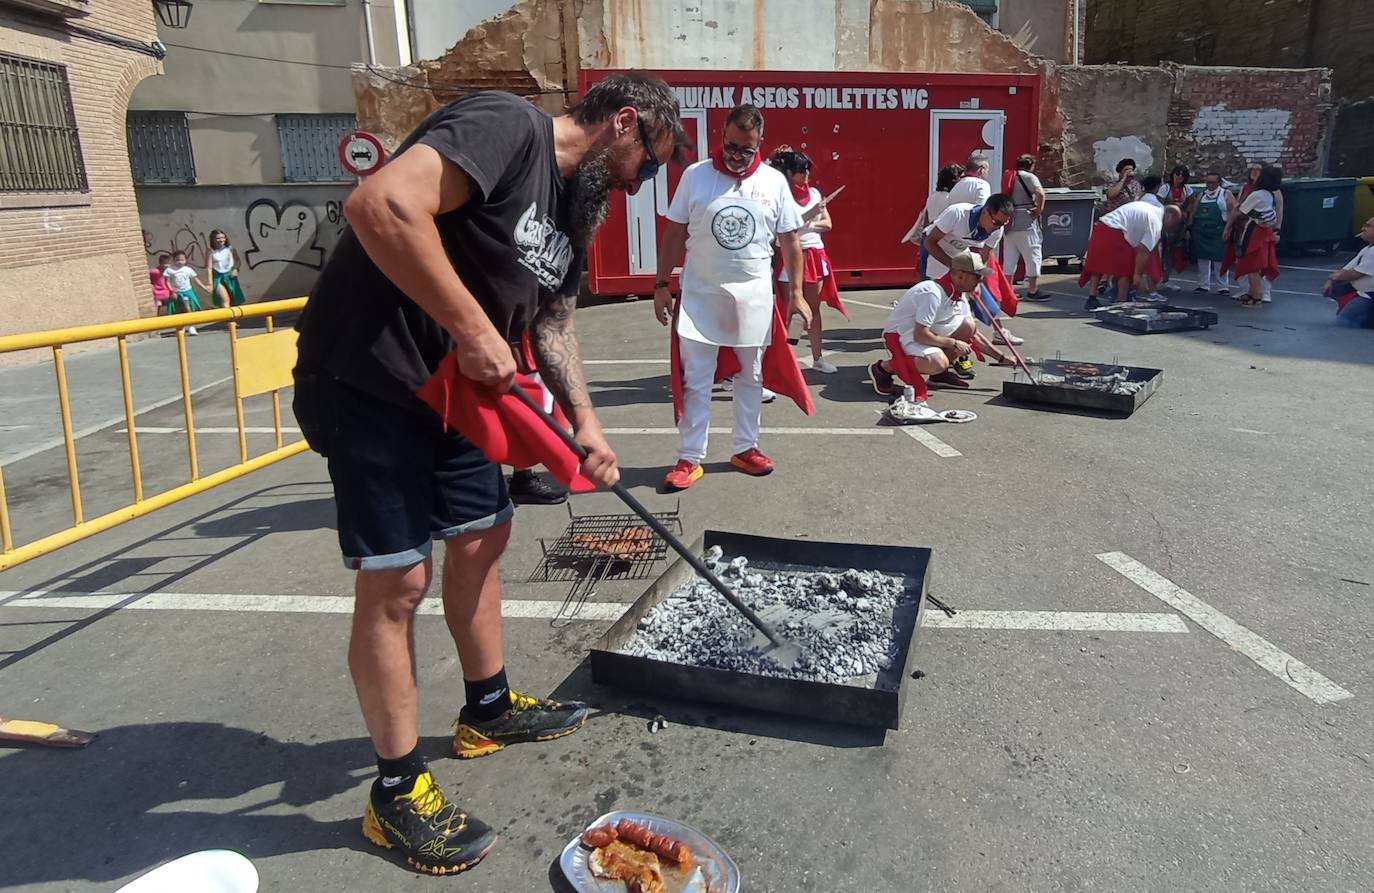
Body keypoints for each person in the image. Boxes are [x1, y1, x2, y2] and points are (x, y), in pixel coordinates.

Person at [291, 72, 687, 875]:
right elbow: (381, 205)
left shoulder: (573, 213)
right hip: (370, 377)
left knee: (483, 535)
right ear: (624, 123)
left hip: (459, 393)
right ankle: (396, 790)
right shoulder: (507, 127)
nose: (642, 182)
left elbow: (553, 321)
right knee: (398, 579)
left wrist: (584, 420)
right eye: (649, 162)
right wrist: (472, 328)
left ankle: (489, 708)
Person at [652, 103, 808, 492]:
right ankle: (690, 457)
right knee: (697, 379)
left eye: (747, 149)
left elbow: (791, 241)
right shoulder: (696, 176)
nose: (737, 156)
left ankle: (745, 449)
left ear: (761, 143)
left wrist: (797, 293)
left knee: (751, 375)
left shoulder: (774, 182)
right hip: (700, 296)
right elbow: (674, 232)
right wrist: (660, 284)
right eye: (732, 146)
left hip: (753, 298)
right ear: (721, 135)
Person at [869, 251, 988, 411]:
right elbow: (920, 335)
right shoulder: (932, 293)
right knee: (938, 362)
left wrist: (1002, 357)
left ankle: (938, 375)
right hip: (902, 334)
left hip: (924, 332)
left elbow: (974, 334)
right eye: (977, 277)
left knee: (968, 326)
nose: (981, 281)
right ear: (961, 276)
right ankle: (883, 368)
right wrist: (953, 343)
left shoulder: (958, 293)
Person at [771, 146, 843, 374]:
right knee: (789, 309)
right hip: (789, 254)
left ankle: (817, 358)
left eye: (808, 171)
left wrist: (807, 224)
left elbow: (828, 224)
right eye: (802, 171)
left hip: (814, 253)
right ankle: (785, 362)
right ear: (789, 172)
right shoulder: (780, 194)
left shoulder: (815, 194)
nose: (806, 175)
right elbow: (781, 229)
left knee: (813, 308)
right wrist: (808, 218)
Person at [923, 193, 1025, 348]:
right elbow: (930, 242)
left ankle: (986, 334)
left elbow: (984, 256)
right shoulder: (957, 214)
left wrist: (975, 280)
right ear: (985, 212)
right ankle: (926, 337)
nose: (997, 227)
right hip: (936, 246)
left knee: (966, 296)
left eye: (1002, 224)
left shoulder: (997, 229)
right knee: (938, 296)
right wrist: (954, 267)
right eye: (996, 222)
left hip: (959, 251)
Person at [1080, 200, 1184, 307]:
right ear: (1169, 216)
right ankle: (1121, 301)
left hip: (1102, 225)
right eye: (1174, 225)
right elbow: (1144, 252)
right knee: (1126, 269)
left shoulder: (1148, 207)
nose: (1172, 229)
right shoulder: (1156, 222)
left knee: (1098, 264)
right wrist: (1137, 276)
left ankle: (1092, 298)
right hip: (1115, 231)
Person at [1223, 163, 1282, 307]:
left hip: (1253, 231)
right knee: (1257, 265)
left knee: (1252, 266)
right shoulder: (1269, 194)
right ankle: (1251, 293)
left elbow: (1240, 211)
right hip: (1264, 231)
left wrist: (1228, 227)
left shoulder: (1256, 194)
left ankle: (1256, 297)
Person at [902, 162, 963, 281]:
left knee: (925, 273)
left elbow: (926, 220)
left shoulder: (933, 196)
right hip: (942, 239)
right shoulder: (951, 200)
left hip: (928, 236)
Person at [1002, 153, 1047, 301]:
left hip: (1010, 220)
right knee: (1033, 255)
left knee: (1010, 258)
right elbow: (1040, 193)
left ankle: (1008, 290)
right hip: (1026, 220)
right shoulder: (1030, 177)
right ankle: (1032, 290)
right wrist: (1039, 209)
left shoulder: (1010, 176)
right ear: (1031, 165)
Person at [1189, 171, 1235, 295]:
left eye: (1213, 183)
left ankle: (1223, 286)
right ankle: (1203, 285)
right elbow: (1193, 212)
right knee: (1202, 258)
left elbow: (1234, 211)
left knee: (1220, 258)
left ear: (1219, 182)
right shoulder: (1201, 195)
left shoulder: (1225, 194)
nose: (1210, 185)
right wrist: (1188, 227)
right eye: (1208, 182)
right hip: (1201, 231)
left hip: (1218, 231)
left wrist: (1230, 228)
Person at [1325, 216, 1374, 328]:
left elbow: (1354, 274)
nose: (1363, 229)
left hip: (1369, 295)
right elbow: (1346, 269)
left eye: (1368, 226)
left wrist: (1333, 277)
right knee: (1337, 286)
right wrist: (1331, 279)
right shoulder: (1367, 249)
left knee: (1343, 323)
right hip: (1362, 292)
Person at [1156, 166, 1194, 285]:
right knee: (1163, 250)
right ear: (1172, 174)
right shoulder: (1165, 188)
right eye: (1177, 173)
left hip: (1180, 224)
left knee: (1174, 251)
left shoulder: (1187, 190)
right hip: (1165, 223)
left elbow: (1191, 205)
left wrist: (1187, 221)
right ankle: (1158, 278)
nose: (1180, 176)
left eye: (1183, 174)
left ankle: (1166, 279)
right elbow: (1158, 203)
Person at [161, 250, 208, 335]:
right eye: (177, 260)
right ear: (173, 260)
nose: (180, 262)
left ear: (186, 260)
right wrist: (172, 291)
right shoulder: (170, 270)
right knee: (178, 309)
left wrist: (204, 287)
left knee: (189, 308)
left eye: (182, 260)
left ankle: (191, 326)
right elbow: (167, 282)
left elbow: (195, 279)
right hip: (177, 292)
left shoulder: (188, 269)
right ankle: (180, 327)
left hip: (187, 291)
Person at [208, 230, 247, 308]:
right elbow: (209, 268)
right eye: (218, 238)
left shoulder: (230, 249)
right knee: (225, 301)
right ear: (213, 239)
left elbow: (238, 261)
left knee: (235, 301)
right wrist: (210, 284)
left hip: (230, 276)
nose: (221, 240)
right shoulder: (210, 251)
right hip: (218, 278)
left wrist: (236, 269)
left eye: (223, 237)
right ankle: (228, 314)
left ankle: (232, 316)